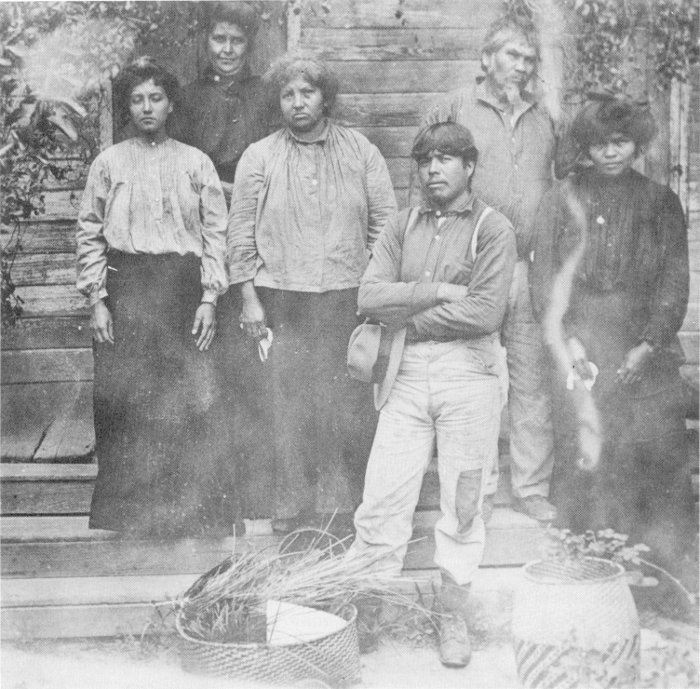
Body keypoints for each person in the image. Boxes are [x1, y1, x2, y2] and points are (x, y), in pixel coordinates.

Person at [350, 122, 516, 667]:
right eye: (425, 160)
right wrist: (438, 291)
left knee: (464, 502)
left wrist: (410, 315)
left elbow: (484, 312)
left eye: (446, 158)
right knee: (383, 496)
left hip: (470, 372)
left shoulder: (493, 228)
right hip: (404, 373)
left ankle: (452, 615)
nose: (433, 169)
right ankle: (368, 610)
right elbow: (369, 295)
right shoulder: (401, 224)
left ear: (470, 166)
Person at [530, 96, 697, 593]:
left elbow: (674, 283)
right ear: (585, 147)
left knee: (656, 456)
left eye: (621, 142)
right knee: (589, 455)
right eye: (600, 144)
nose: (610, 153)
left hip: (646, 350)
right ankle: (588, 579)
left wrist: (649, 344)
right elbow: (544, 280)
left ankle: (664, 581)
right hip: (583, 352)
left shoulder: (660, 201)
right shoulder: (560, 199)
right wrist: (570, 342)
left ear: (637, 145)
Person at [227, 55, 397, 534]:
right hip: (282, 298)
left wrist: (375, 291)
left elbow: (385, 228)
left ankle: (339, 507)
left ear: (326, 98)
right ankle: (292, 507)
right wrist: (249, 299)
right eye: (288, 95)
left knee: (344, 402)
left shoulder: (361, 151)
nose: (298, 103)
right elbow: (239, 233)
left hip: (347, 297)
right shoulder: (259, 156)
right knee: (288, 404)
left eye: (308, 93)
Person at [76, 58, 229, 538]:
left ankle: (191, 515)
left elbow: (216, 234)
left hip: (183, 290)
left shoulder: (196, 162)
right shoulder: (109, 163)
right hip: (127, 290)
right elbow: (89, 232)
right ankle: (131, 516)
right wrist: (97, 300)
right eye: (138, 99)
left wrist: (209, 297)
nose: (147, 107)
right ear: (127, 107)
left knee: (190, 398)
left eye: (156, 98)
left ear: (170, 105)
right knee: (126, 401)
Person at [417, 15, 559, 522]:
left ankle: (531, 487)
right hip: (471, 265)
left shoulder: (546, 115)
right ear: (486, 58)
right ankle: (475, 491)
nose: (520, 66)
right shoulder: (454, 107)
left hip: (528, 265)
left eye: (528, 58)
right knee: (472, 378)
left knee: (530, 377)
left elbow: (561, 186)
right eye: (511, 55)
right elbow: (424, 180)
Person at [169, 1, 270, 203]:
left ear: (249, 45)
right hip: (201, 201)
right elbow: (177, 162)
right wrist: (215, 187)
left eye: (237, 40)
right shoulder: (187, 98)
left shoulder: (266, 93)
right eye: (219, 39)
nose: (227, 49)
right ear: (206, 41)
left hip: (258, 201)